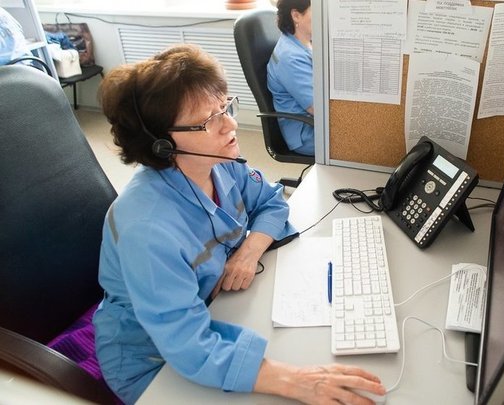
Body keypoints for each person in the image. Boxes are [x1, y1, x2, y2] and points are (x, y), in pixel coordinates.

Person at [93, 44, 385, 404]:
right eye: (209, 120)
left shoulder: (219, 162)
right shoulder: (147, 229)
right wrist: (295, 380)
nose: (230, 124)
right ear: (161, 144)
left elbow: (272, 202)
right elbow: (186, 344)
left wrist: (248, 252)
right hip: (153, 361)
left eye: (224, 108)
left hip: (214, 309)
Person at [267, 0, 314, 156]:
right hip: (307, 132)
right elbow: (317, 109)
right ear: (296, 15)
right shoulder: (290, 58)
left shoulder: (306, 42)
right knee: (366, 141)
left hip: (317, 122)